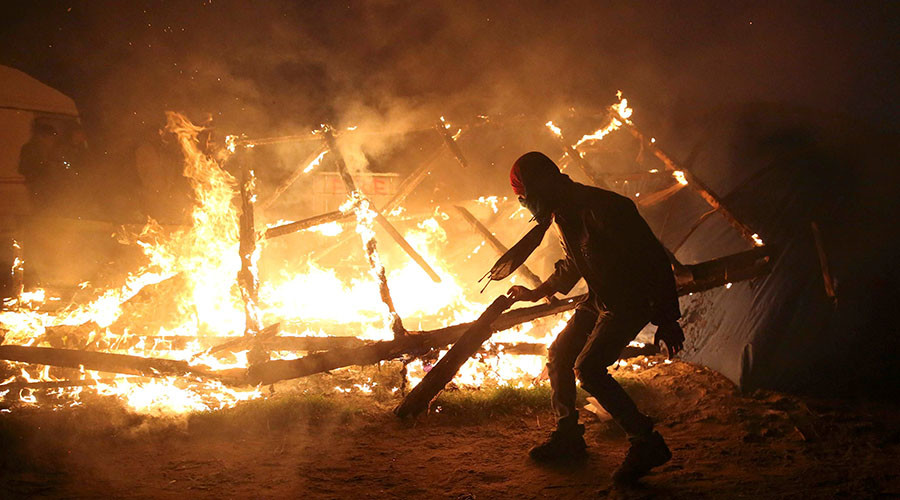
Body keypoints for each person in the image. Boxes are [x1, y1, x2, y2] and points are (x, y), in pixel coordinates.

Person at [505, 151, 685, 485]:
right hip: (600, 298)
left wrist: (667, 318)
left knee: (588, 369)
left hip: (630, 301)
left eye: (525, 198)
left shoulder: (606, 208)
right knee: (559, 354)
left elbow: (655, 262)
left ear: (539, 187)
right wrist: (536, 292)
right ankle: (568, 437)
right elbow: (574, 263)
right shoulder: (564, 212)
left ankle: (645, 441)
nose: (526, 206)